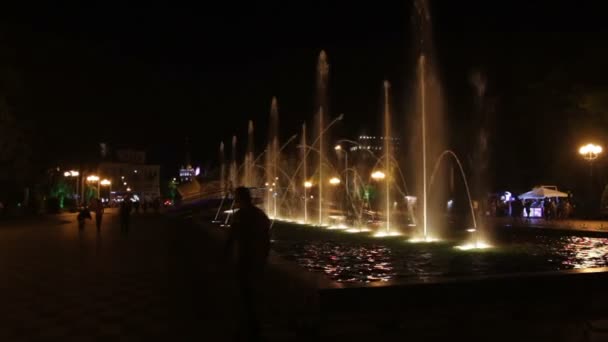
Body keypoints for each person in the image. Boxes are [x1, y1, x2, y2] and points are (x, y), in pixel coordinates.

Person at [224, 187, 271, 342]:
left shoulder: (240, 215)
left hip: (244, 259)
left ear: (240, 199)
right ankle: (256, 325)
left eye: (236, 198)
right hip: (257, 260)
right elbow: (266, 239)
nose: (234, 201)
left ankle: (246, 327)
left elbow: (231, 238)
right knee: (255, 293)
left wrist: (224, 255)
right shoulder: (260, 214)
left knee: (244, 294)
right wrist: (263, 257)